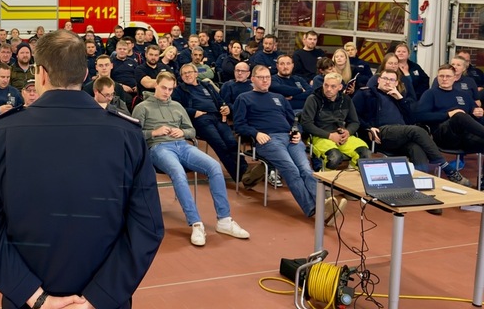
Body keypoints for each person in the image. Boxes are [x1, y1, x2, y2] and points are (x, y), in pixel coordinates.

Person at [0, 29, 164, 309]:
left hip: (27, 301)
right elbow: (148, 226)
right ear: (85, 74)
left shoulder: (1, 132)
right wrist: (98, 297)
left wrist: (34, 296)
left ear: (41, 74)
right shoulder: (127, 134)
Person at [134, 71, 249, 245]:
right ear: (156, 85)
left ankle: (224, 220)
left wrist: (182, 132)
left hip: (182, 145)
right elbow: (133, 135)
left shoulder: (177, 106)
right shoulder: (142, 107)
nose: (167, 92)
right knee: (178, 173)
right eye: (164, 88)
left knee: (214, 167)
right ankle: (196, 223)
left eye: (170, 89)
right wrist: (153, 132)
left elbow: (191, 131)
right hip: (159, 148)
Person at [233, 66, 346, 222]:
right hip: (268, 140)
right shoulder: (244, 98)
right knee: (291, 169)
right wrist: (256, 133)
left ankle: (324, 206)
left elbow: (293, 121)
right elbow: (239, 125)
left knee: (306, 169)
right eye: (261, 77)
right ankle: (314, 210)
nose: (265, 80)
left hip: (290, 138)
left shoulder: (278, 97)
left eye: (268, 77)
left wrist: (297, 132)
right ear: (252, 79)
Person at [353, 68, 468, 186]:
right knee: (417, 130)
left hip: (402, 135)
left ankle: (421, 184)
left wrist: (400, 99)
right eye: (385, 79)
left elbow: (412, 119)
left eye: (391, 80)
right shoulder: (366, 93)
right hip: (381, 132)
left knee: (416, 148)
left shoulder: (397, 97)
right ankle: (446, 167)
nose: (388, 82)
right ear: (378, 80)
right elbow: (353, 117)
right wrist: (368, 127)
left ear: (396, 83)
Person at [173, 63, 247, 182]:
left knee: (232, 142)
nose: (187, 75)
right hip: (201, 119)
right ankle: (239, 176)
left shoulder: (207, 86)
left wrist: (225, 107)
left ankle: (245, 170)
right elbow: (176, 108)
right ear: (181, 76)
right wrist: (193, 112)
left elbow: (220, 101)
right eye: (184, 73)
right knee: (220, 144)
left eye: (189, 72)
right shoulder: (179, 90)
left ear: (196, 74)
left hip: (217, 117)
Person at [415, 64, 484, 174]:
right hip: (443, 135)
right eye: (441, 76)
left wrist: (478, 114)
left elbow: (475, 118)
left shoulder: (464, 95)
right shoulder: (430, 94)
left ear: (455, 78)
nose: (444, 79)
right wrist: (448, 114)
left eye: (448, 76)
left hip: (465, 138)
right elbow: (420, 116)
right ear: (437, 78)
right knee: (459, 116)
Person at [300, 73, 371, 169]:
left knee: (365, 153)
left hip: (341, 135)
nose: (328, 89)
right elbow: (306, 124)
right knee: (334, 157)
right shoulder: (313, 99)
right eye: (326, 85)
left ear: (340, 87)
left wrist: (348, 132)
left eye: (333, 86)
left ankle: (350, 177)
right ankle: (325, 181)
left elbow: (355, 122)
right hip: (320, 136)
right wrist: (330, 136)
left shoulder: (346, 99)